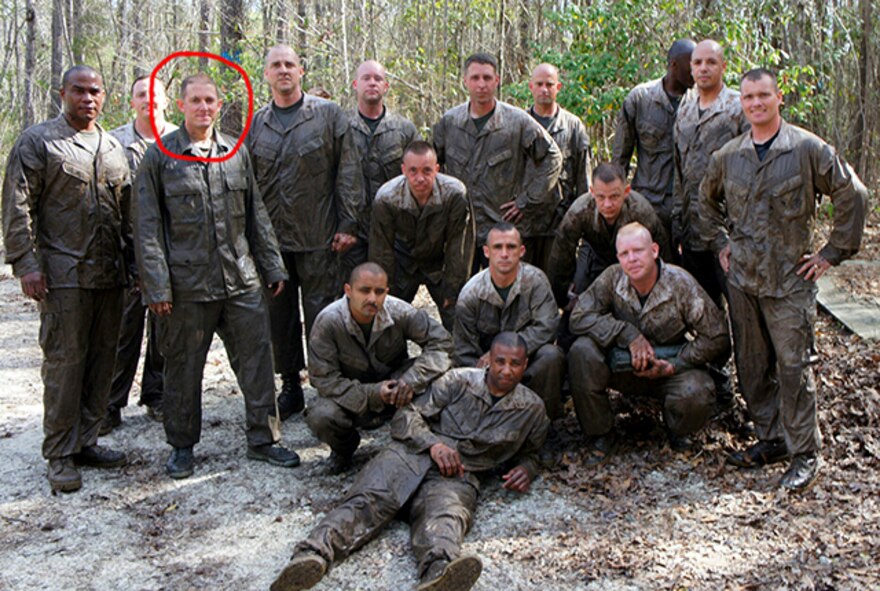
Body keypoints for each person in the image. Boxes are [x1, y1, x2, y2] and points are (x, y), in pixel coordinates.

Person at [271, 332, 550, 591]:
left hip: (457, 474)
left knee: (445, 516)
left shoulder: (532, 409)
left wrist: (526, 469)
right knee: (366, 500)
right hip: (410, 455)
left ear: (525, 365)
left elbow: (534, 453)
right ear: (488, 359)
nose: (506, 370)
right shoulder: (458, 380)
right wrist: (434, 444)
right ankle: (311, 556)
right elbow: (407, 415)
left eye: (515, 364)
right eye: (500, 361)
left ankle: (439, 571)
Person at [700, 68, 867, 492]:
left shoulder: (806, 148)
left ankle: (804, 454)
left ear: (779, 98)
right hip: (744, 280)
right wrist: (721, 240)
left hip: (790, 281)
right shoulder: (729, 155)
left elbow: (853, 193)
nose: (756, 103)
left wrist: (831, 253)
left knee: (794, 369)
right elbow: (704, 202)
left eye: (763, 96)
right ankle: (771, 437)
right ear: (741, 102)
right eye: (748, 97)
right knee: (753, 368)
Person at [136, 72, 300, 479]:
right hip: (188, 286)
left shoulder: (234, 152)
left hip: (240, 278)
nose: (204, 108)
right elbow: (147, 227)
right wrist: (157, 285)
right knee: (183, 367)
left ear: (219, 104)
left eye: (210, 100)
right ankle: (181, 446)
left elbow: (256, 214)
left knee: (257, 361)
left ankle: (265, 438)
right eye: (196, 101)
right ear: (182, 105)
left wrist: (272, 264)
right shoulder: (160, 157)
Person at [2, 65, 132, 492]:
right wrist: (26, 263)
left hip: (110, 276)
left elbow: (129, 217)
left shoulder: (114, 147)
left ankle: (87, 440)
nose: (88, 98)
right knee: (65, 363)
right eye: (79, 91)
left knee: (102, 362)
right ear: (63, 93)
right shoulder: (39, 142)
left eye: (95, 91)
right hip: (63, 276)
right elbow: (18, 206)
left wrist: (139, 269)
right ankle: (59, 453)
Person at [246, 45, 364, 421]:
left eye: (289, 65)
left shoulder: (327, 116)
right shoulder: (255, 124)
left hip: (319, 236)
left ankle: (325, 385)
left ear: (301, 72)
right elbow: (246, 187)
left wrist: (349, 224)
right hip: (272, 243)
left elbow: (348, 171)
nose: (283, 71)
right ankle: (290, 386)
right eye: (275, 65)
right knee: (277, 319)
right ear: (265, 74)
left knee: (321, 315)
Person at [568, 223, 729, 464]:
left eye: (638, 251)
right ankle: (601, 433)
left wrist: (677, 363)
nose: (631, 259)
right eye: (624, 253)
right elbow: (579, 317)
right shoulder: (612, 278)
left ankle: (677, 429)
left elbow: (716, 336)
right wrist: (626, 334)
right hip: (621, 367)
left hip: (668, 371)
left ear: (654, 250)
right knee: (581, 351)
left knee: (698, 390)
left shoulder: (680, 283)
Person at [306, 262, 453, 474]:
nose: (372, 299)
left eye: (379, 292)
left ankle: (423, 441)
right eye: (364, 291)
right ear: (348, 291)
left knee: (442, 378)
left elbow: (442, 344)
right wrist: (375, 393)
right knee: (321, 414)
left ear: (387, 292)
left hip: (399, 393)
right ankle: (343, 450)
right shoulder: (328, 322)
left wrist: (410, 381)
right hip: (352, 397)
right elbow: (324, 379)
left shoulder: (400, 311)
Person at [433, 52, 562, 270]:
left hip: (502, 230)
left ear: (497, 81)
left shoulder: (517, 122)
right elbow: (430, 167)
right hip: (460, 231)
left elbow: (553, 157)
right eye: (475, 78)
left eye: (487, 78)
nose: (481, 85)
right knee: (461, 296)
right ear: (465, 81)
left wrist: (527, 200)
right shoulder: (450, 123)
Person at [102, 76, 178, 434]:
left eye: (155, 95)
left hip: (172, 250)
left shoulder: (180, 140)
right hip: (128, 251)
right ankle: (110, 402)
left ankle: (157, 394)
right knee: (123, 330)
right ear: (131, 101)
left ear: (166, 100)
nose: (148, 100)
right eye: (140, 94)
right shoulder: (114, 142)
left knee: (165, 328)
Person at [454, 223, 564, 420]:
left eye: (511, 247)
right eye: (498, 247)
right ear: (486, 252)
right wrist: (491, 372)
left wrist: (507, 353)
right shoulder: (470, 295)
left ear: (521, 251)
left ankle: (546, 423)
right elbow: (464, 352)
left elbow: (548, 326)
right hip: (489, 373)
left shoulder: (536, 282)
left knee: (551, 355)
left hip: (526, 365)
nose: (504, 254)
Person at [673, 39, 748, 307]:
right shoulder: (685, 110)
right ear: (691, 69)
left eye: (711, 62)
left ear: (723, 67)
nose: (704, 68)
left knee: (740, 309)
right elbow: (680, 172)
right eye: (698, 63)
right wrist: (677, 223)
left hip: (727, 232)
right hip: (693, 232)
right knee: (704, 311)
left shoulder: (739, 107)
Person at [369, 141, 474, 329]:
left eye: (427, 171)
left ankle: (459, 357)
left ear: (437, 169)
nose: (420, 178)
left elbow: (459, 247)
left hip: (439, 260)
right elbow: (381, 250)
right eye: (413, 171)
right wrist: (383, 291)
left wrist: (453, 289)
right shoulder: (386, 198)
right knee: (387, 322)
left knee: (459, 318)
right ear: (403, 170)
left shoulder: (454, 194)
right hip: (403, 260)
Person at [547, 163, 671, 309]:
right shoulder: (579, 211)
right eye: (601, 197)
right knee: (578, 306)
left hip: (630, 258)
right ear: (592, 192)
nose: (607, 204)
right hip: (594, 254)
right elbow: (561, 255)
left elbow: (662, 252)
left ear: (626, 191)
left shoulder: (641, 211)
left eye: (614, 196)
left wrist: (663, 290)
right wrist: (562, 298)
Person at [343, 60, 420, 275]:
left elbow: (421, 178)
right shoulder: (341, 127)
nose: (372, 83)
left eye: (378, 79)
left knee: (390, 295)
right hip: (352, 234)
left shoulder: (404, 130)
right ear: (355, 84)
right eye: (366, 78)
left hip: (394, 233)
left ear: (386, 87)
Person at [613, 39, 696, 231]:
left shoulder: (700, 103)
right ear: (674, 65)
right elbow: (620, 158)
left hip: (688, 210)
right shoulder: (640, 99)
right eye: (691, 65)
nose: (697, 71)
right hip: (648, 206)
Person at [526, 62, 592, 271]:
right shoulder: (519, 124)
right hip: (524, 226)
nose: (544, 89)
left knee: (556, 287)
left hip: (560, 225)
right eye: (539, 84)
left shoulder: (573, 127)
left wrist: (583, 222)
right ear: (531, 87)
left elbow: (584, 179)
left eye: (549, 84)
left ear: (558, 87)